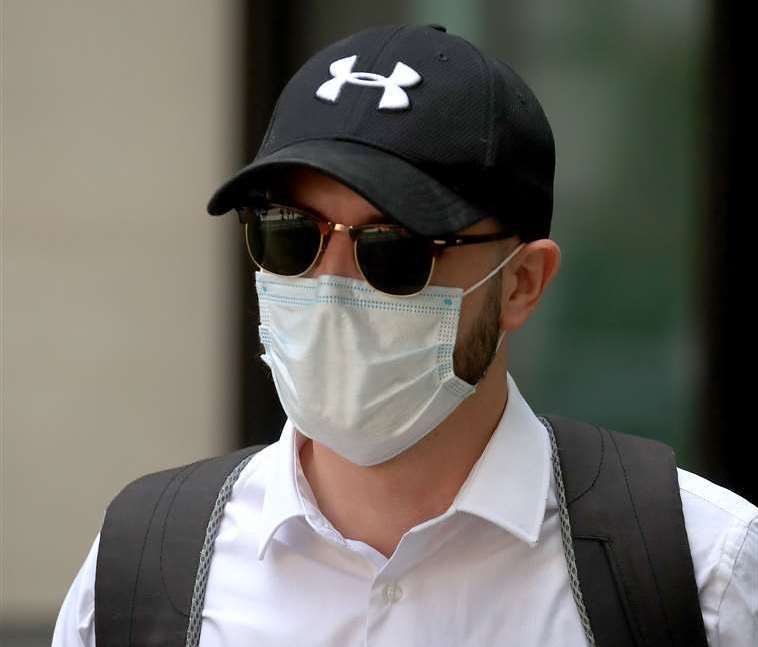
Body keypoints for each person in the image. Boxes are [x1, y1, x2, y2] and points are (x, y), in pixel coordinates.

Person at [53, 23, 756, 647]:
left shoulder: (701, 569)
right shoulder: (144, 566)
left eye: (394, 249)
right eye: (288, 235)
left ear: (521, 283)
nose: (330, 285)